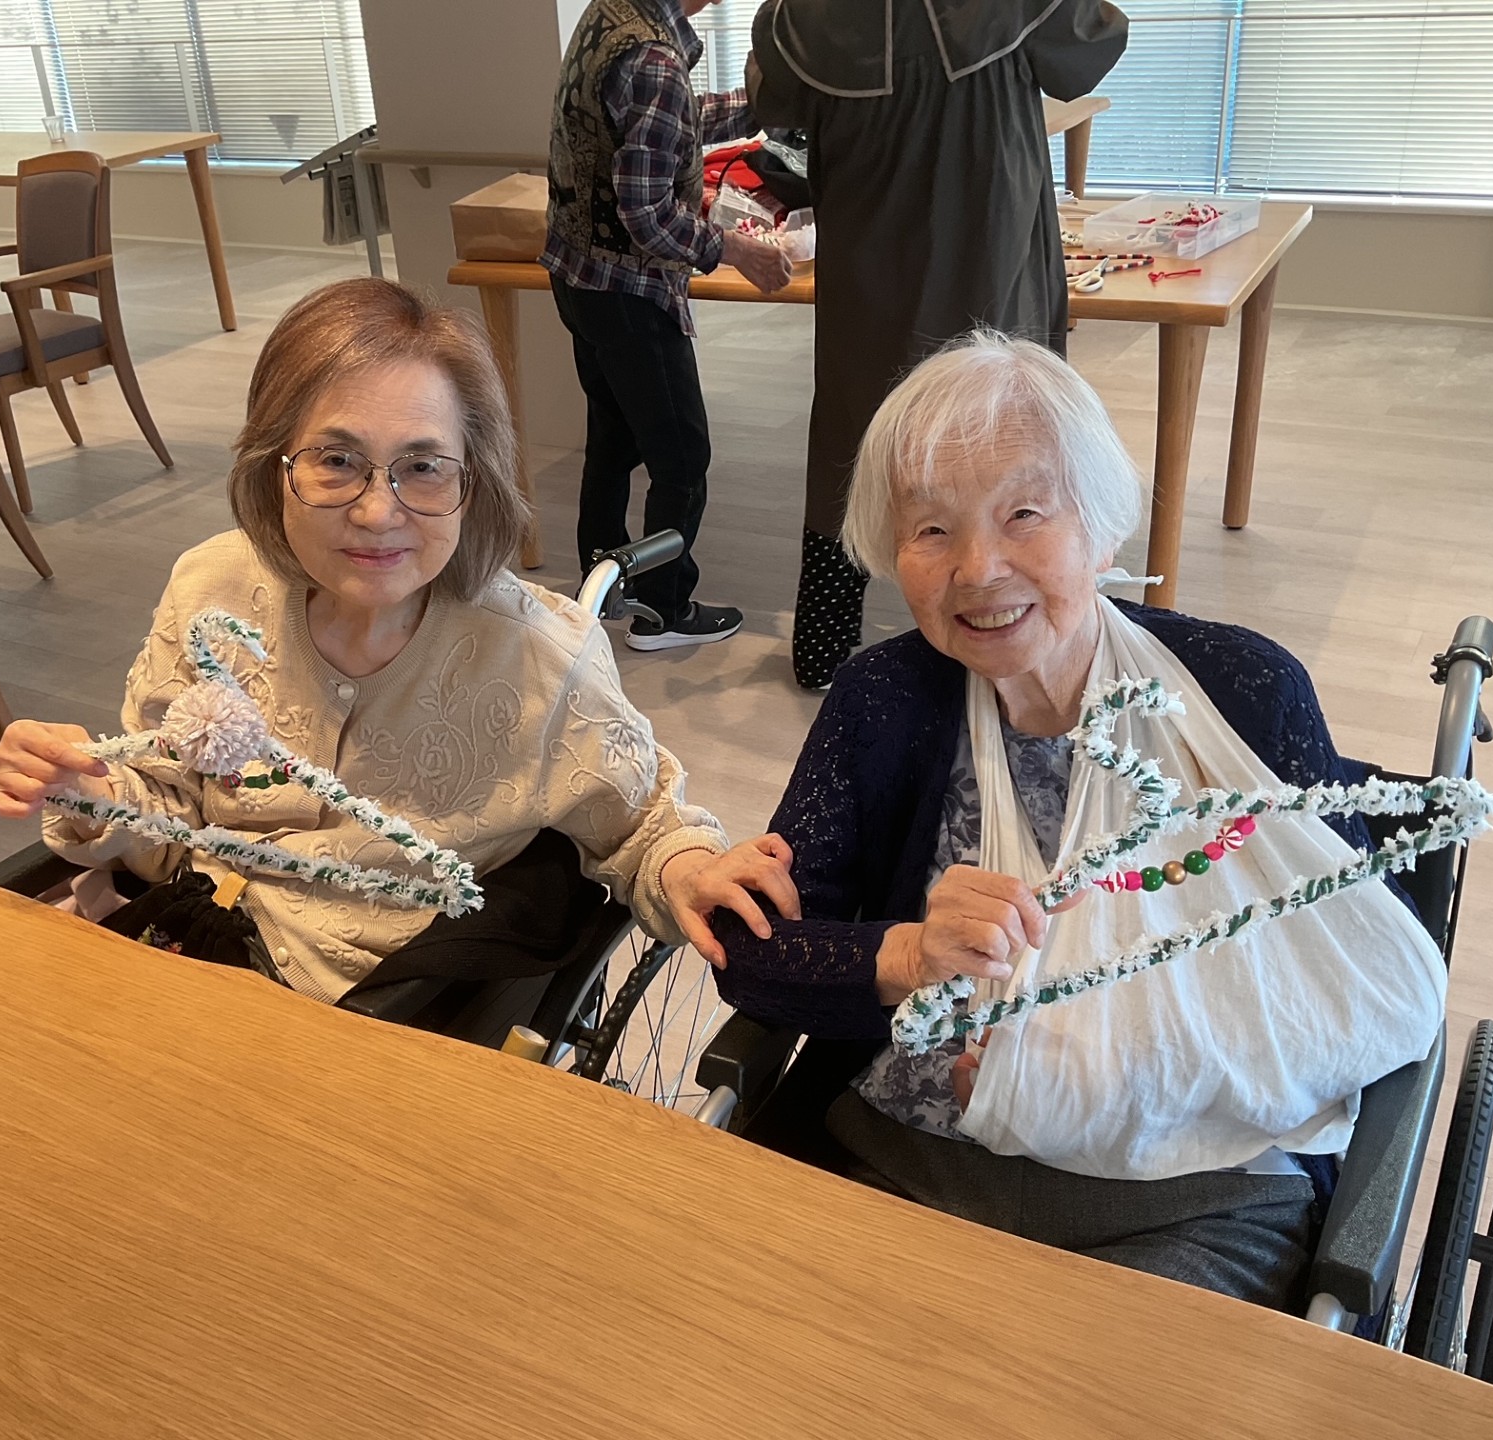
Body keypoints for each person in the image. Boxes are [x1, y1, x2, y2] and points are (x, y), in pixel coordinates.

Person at [707, 330, 1446, 1311]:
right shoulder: (880, 701)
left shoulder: (1248, 691)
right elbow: (753, 956)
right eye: (932, 529)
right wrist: (907, 955)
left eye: (1024, 513)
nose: (979, 569)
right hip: (904, 1166)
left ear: (1100, 529)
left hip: (1193, 1198)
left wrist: (1093, 1066)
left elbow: (1362, 985)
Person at [0, 278, 799, 1002]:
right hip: (190, 957)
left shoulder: (538, 656)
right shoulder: (211, 591)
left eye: (423, 467)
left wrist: (692, 871)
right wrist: (87, 788)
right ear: (274, 467)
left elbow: (643, 824)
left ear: (473, 481)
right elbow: (168, 809)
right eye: (337, 461)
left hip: (371, 1013)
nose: (378, 513)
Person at [747, 0, 1128, 689]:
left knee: (853, 431)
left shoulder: (801, 12)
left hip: (869, 256)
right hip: (986, 249)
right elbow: (1089, 48)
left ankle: (823, 646)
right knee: (1006, 435)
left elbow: (778, 101)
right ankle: (1018, 638)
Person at [543, 0, 794, 653]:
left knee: (614, 438)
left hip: (578, 276)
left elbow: (662, 120)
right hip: (630, 293)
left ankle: (600, 589)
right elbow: (648, 217)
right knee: (682, 458)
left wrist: (756, 106)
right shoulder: (654, 55)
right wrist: (737, 251)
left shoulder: (612, 13)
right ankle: (662, 609)